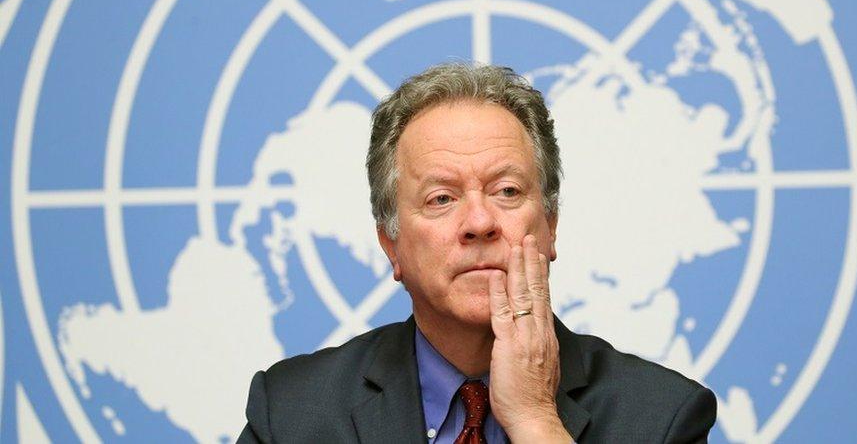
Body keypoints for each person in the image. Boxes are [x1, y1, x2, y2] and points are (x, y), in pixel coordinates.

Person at [237, 63, 717, 443]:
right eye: (441, 198)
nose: (480, 222)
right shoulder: (290, 414)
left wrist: (536, 421)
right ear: (391, 244)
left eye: (507, 191)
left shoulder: (663, 418)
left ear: (550, 226)